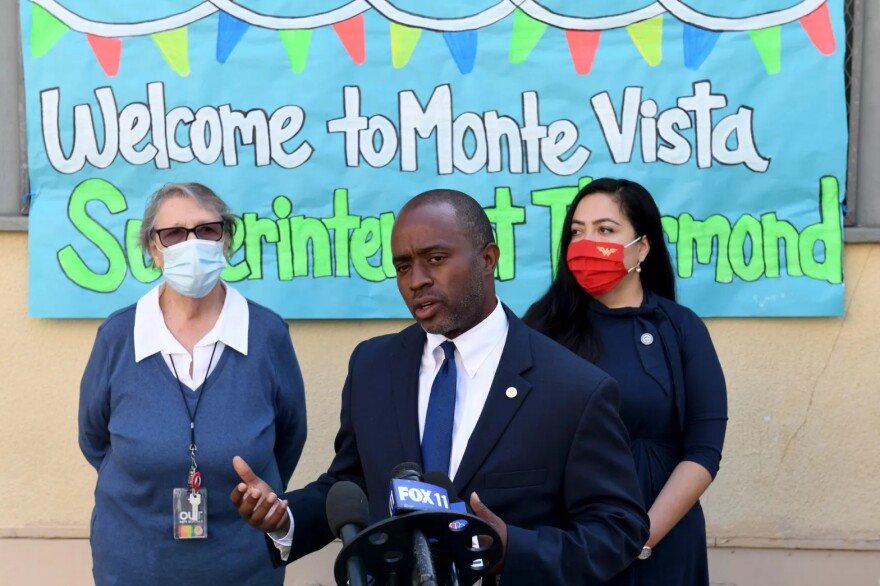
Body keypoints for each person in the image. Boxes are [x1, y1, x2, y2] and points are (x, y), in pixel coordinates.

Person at [230, 189, 649, 585]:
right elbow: (354, 483)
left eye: (436, 258)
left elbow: (617, 531)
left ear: (488, 259)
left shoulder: (573, 388)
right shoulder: (372, 367)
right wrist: (286, 519)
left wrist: (510, 549)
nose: (417, 281)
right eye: (403, 266)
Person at [78, 182, 307, 586]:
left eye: (206, 230)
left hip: (243, 565)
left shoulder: (268, 333)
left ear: (226, 239)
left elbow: (289, 437)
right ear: (154, 249)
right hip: (132, 564)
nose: (192, 243)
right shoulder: (118, 336)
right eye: (174, 234)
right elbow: (94, 438)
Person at [524, 178, 728, 586]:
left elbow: (703, 450)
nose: (586, 243)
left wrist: (639, 539)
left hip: (661, 542)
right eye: (577, 232)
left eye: (605, 230)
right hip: (569, 545)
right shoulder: (541, 328)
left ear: (643, 246)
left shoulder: (681, 328)